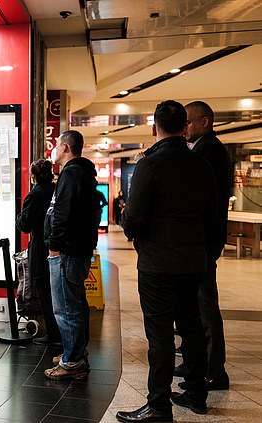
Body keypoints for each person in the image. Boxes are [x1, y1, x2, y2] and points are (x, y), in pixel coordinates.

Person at [116, 100, 216, 422]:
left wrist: (132, 231)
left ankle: (159, 405)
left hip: (158, 264)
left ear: (154, 127)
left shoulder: (150, 165)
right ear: (185, 126)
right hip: (193, 261)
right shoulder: (201, 165)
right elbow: (212, 217)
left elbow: (132, 220)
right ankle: (197, 393)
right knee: (192, 328)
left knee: (159, 336)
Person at [174, 101, 231, 391]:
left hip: (204, 240)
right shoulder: (203, 148)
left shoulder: (210, 150)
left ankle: (214, 370)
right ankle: (194, 361)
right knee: (194, 305)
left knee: (205, 304)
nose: (185, 129)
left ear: (205, 121)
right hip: (201, 238)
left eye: (190, 122)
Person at [43, 130, 99, 381]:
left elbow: (63, 213)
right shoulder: (80, 173)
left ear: (65, 147)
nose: (53, 149)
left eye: (55, 145)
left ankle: (72, 361)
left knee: (66, 308)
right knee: (73, 304)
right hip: (75, 249)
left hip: (67, 250)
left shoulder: (72, 173)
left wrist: (55, 244)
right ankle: (73, 352)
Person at [15, 159, 61, 345]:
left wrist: (18, 217)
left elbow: (24, 225)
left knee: (44, 290)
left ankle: (53, 333)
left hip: (40, 248)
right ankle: (59, 331)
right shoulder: (56, 190)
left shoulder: (34, 195)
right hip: (55, 246)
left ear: (33, 176)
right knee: (56, 291)